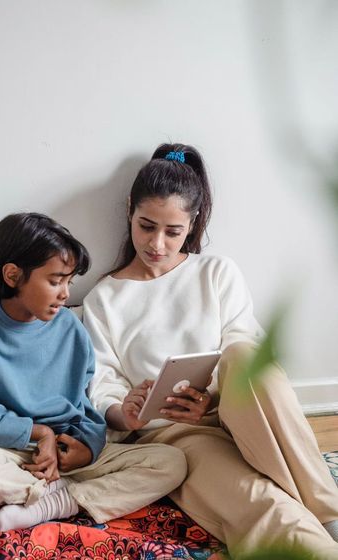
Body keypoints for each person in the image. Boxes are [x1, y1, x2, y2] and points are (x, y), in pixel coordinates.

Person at [83, 144, 338, 559]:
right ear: (129, 208)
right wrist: (124, 411)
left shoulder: (216, 272)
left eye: (173, 231)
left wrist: (212, 393)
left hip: (244, 410)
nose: (157, 245)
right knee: (264, 506)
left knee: (242, 356)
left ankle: (329, 515)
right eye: (146, 226)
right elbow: (102, 384)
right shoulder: (104, 299)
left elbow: (249, 352)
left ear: (192, 223)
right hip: (176, 435)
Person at [0, 212, 187, 533]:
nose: (65, 293)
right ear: (12, 275)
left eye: (68, 282)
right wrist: (39, 434)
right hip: (12, 453)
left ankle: (53, 502)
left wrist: (86, 448)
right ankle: (58, 495)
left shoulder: (72, 328)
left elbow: (85, 410)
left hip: (68, 451)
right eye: (55, 280)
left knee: (171, 462)